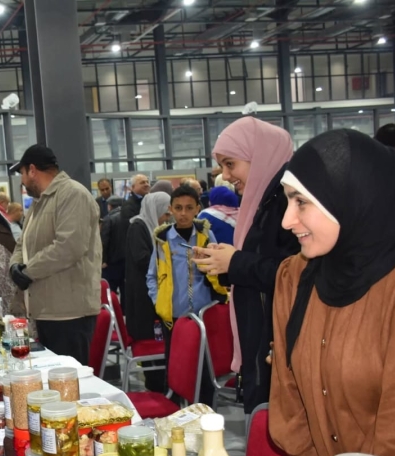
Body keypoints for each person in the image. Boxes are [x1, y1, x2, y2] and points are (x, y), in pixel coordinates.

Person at [269, 129, 395, 456]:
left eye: (301, 202)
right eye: (287, 201)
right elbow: (287, 389)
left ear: (351, 199)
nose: (287, 220)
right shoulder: (296, 277)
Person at [192, 116, 298, 414]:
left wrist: (235, 261)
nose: (225, 176)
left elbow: (294, 272)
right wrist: (225, 261)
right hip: (260, 334)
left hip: (275, 339)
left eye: (230, 164)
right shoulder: (263, 202)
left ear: (259, 156)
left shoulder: (286, 203)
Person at [8, 144, 101, 364]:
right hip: (46, 311)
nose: (22, 181)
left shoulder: (73, 194)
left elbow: (68, 247)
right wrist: (15, 266)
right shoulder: (39, 203)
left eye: (22, 173)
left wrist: (27, 272)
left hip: (69, 314)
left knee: (67, 381)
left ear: (32, 170)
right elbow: (22, 243)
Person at [148, 185, 227, 405]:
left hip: (203, 314)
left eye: (189, 208)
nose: (183, 213)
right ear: (171, 209)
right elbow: (151, 275)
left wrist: (207, 266)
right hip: (173, 314)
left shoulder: (205, 235)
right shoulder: (162, 239)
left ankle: (204, 409)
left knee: (204, 365)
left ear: (197, 209)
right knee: (176, 365)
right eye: (178, 208)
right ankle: (175, 410)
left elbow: (218, 269)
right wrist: (158, 301)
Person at [124, 191, 171, 392]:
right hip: (141, 295)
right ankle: (155, 384)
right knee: (149, 337)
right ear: (156, 210)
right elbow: (142, 258)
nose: (166, 218)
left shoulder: (151, 227)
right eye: (165, 214)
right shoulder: (138, 227)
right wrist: (166, 260)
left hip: (149, 291)